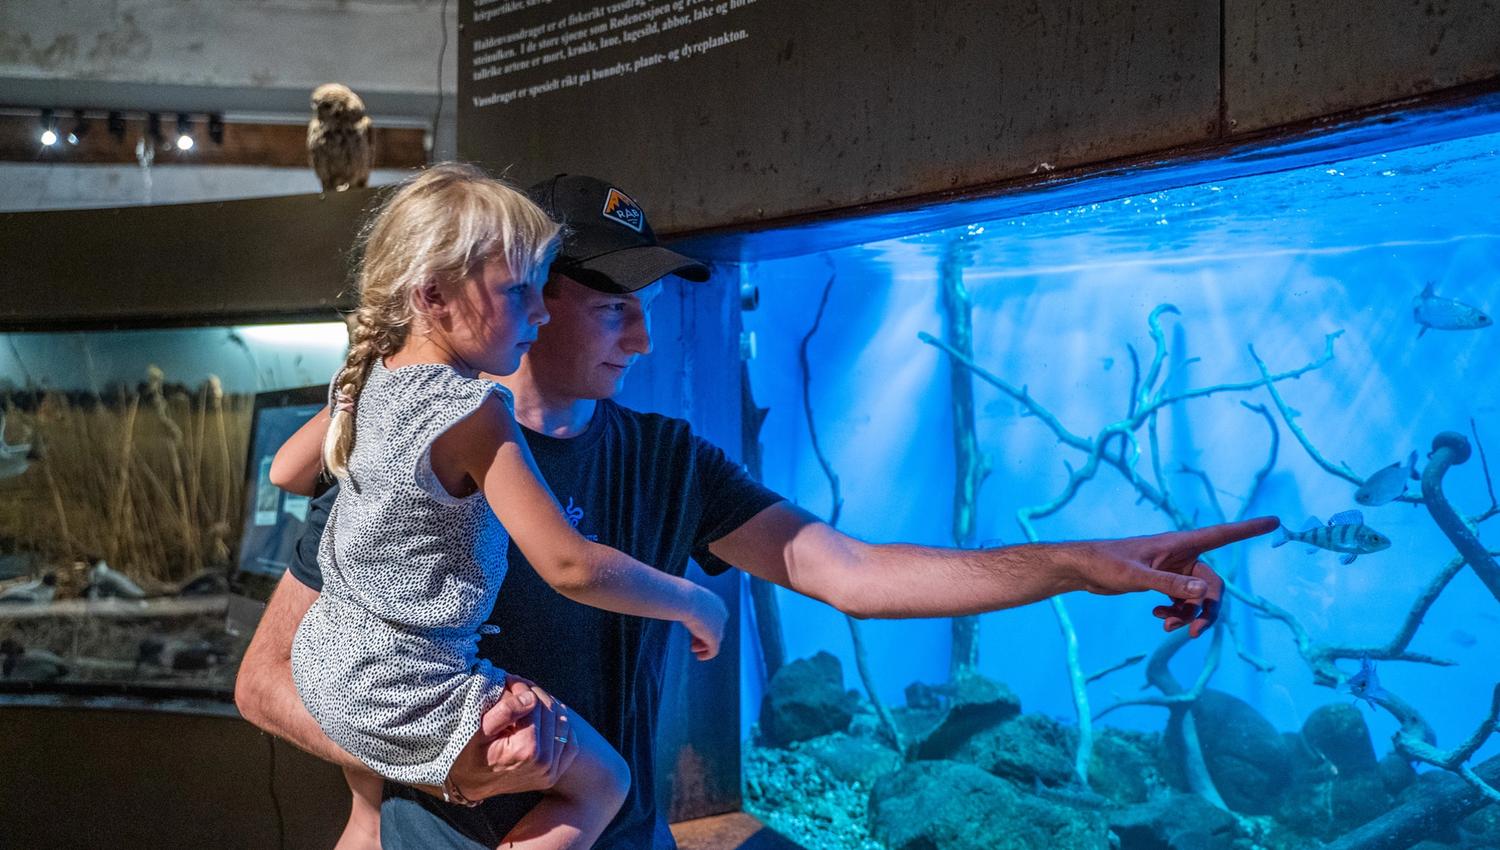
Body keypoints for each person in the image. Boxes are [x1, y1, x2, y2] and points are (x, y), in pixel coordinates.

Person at [236, 171, 1279, 849]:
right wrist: (425, 768)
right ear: (530, 295)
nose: (641, 340)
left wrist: (1089, 560)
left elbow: (852, 572)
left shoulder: (665, 458)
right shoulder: (396, 440)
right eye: (615, 309)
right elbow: (267, 679)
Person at [265, 163, 727, 850]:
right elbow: (569, 564)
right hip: (408, 692)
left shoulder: (367, 382)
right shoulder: (475, 413)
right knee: (606, 784)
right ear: (434, 296)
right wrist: (693, 602)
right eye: (520, 293)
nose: (538, 314)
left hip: (328, 666)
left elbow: (286, 471)